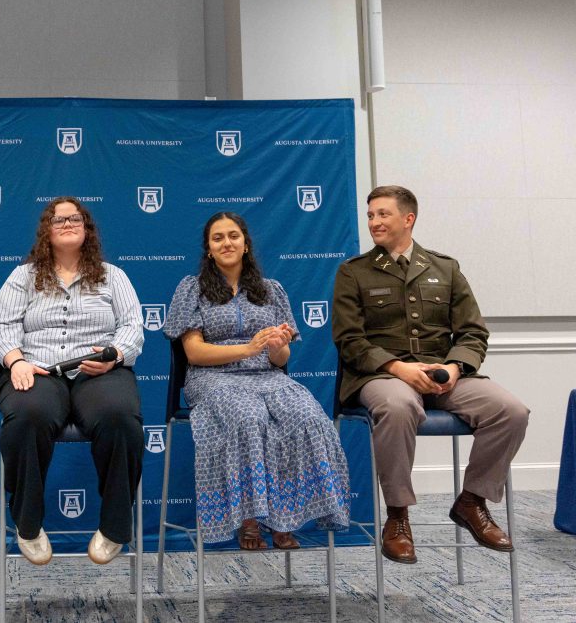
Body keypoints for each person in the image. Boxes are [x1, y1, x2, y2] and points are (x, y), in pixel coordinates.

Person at [332, 185, 529, 564]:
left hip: (442, 376)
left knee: (511, 411)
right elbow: (349, 340)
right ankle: (398, 516)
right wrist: (397, 367)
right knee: (398, 406)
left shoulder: (445, 268)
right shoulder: (353, 273)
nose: (374, 221)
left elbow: (473, 333)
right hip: (383, 377)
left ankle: (472, 501)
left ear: (408, 218)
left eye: (383, 214)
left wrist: (454, 367)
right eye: (371, 214)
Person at [162, 212, 350, 549]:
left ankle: (285, 517)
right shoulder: (192, 289)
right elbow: (193, 353)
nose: (226, 243)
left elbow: (282, 360)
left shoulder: (271, 290)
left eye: (233, 236)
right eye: (217, 238)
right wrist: (247, 348)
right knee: (249, 417)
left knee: (307, 417)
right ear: (208, 248)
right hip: (213, 378)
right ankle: (249, 519)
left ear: (246, 244)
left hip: (267, 376)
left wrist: (277, 347)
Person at [0, 197, 145, 565]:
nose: (68, 223)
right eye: (59, 220)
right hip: (37, 368)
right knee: (27, 416)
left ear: (87, 228)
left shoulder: (113, 276)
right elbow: (2, 326)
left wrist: (114, 357)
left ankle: (114, 527)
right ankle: (27, 524)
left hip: (99, 371)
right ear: (46, 230)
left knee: (120, 418)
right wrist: (16, 362)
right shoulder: (23, 276)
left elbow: (133, 328)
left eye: (76, 218)